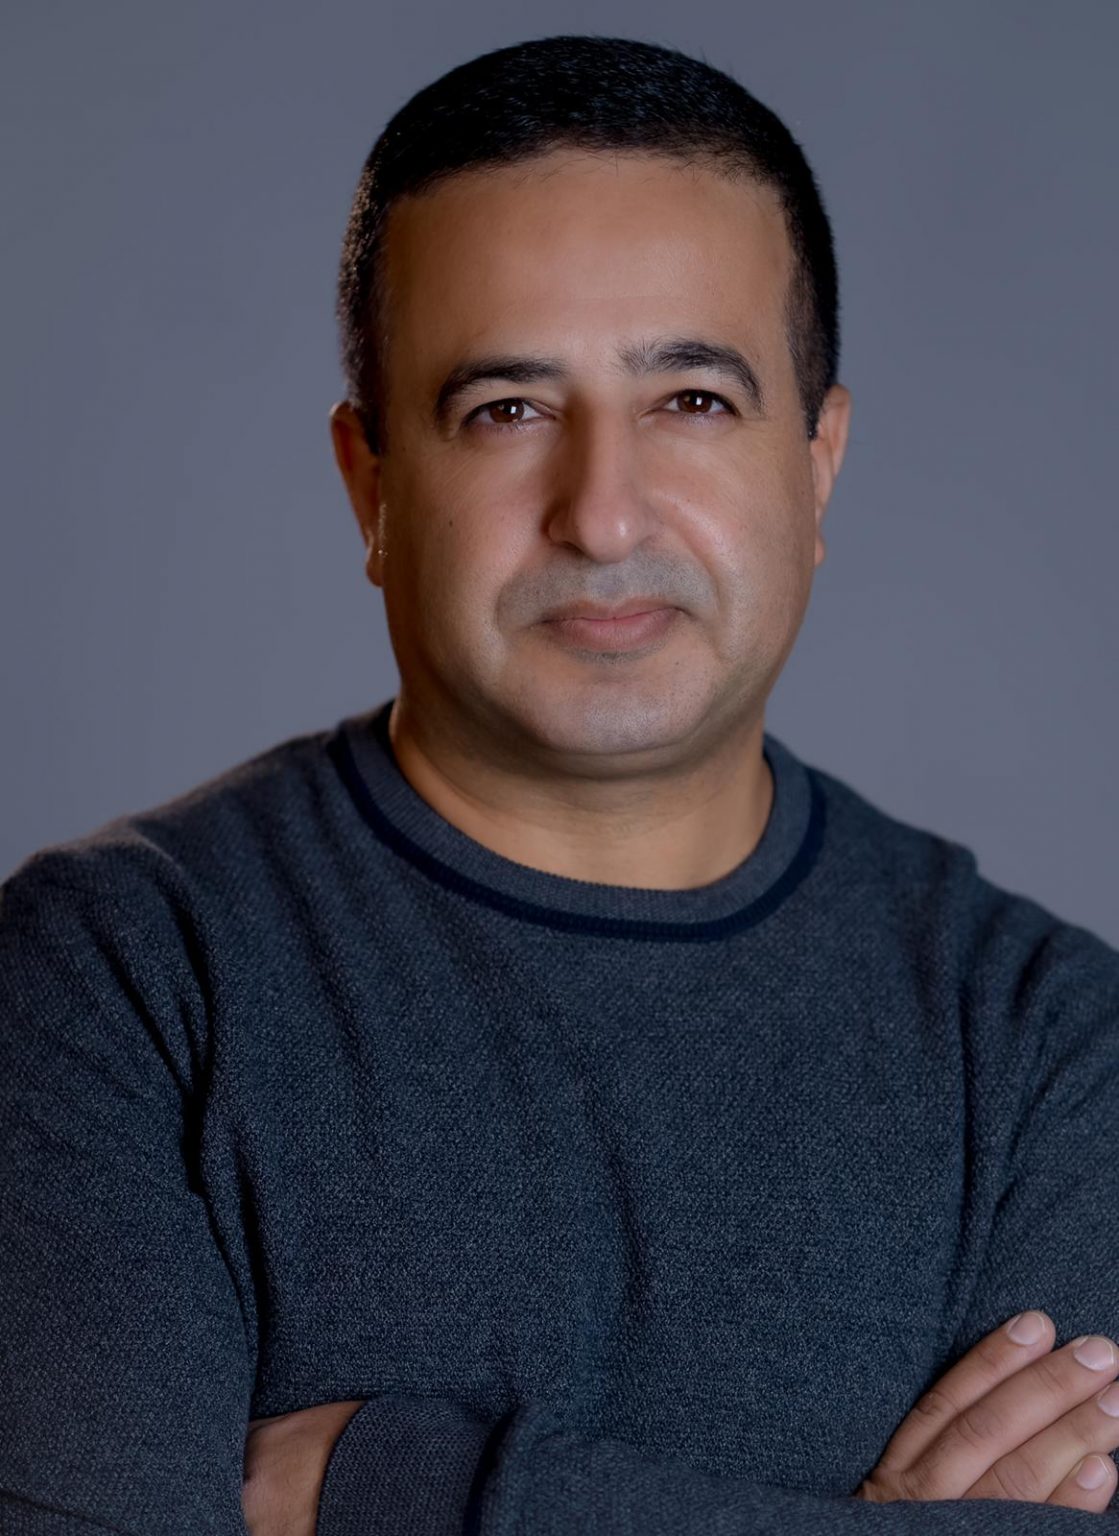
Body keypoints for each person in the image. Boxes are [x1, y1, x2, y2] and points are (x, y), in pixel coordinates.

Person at [2, 31, 1118, 1536]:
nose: (602, 514)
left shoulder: (1053, 1047)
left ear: (818, 463)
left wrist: (404, 1491)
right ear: (372, 486)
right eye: (506, 410)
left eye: (693, 400)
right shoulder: (114, 985)